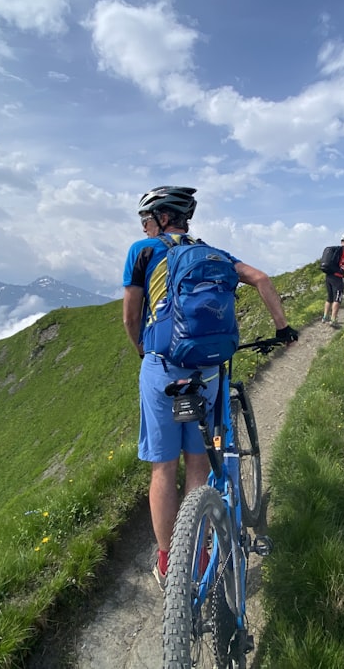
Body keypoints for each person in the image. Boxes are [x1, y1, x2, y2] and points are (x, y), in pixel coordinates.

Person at [121, 185, 298, 590]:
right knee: (198, 464)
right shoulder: (214, 254)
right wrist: (283, 328)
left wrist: (144, 353)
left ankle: (169, 564)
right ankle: (198, 554)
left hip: (163, 369)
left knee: (163, 468)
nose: (144, 226)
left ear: (162, 218)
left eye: (146, 219)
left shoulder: (142, 252)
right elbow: (261, 278)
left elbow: (131, 318)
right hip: (210, 372)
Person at [321, 233, 344, 327]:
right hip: (337, 277)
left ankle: (325, 317)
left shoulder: (336, 250)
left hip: (328, 275)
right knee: (337, 298)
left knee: (329, 298)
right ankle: (333, 320)